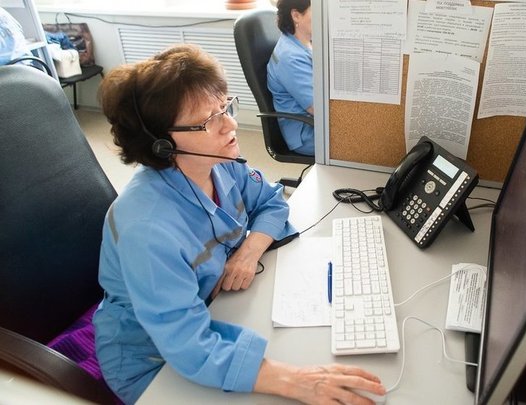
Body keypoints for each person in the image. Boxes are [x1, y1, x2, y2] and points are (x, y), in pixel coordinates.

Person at [93, 44, 385, 404]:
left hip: (214, 309)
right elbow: (186, 344)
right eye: (209, 120)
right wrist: (295, 380)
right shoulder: (147, 229)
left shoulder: (219, 162)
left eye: (224, 108)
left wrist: (248, 252)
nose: (230, 124)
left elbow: (272, 202)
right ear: (161, 144)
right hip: (153, 361)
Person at [267, 0, 314, 156]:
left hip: (317, 122)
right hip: (307, 132)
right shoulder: (290, 58)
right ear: (296, 15)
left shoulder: (306, 42)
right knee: (366, 141)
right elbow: (317, 109)